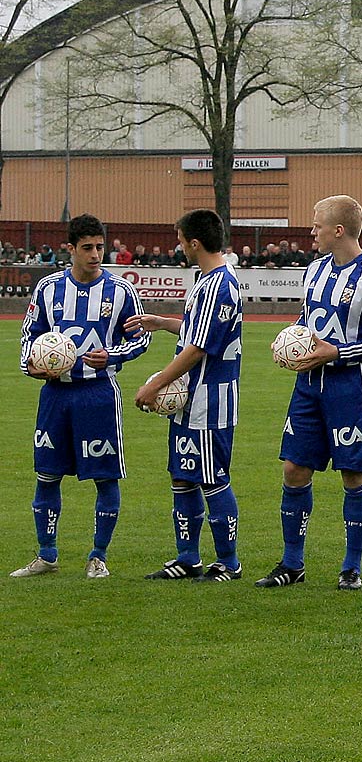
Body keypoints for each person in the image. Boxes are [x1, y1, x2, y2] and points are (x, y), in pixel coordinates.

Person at [255, 196, 362, 591]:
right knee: (294, 469)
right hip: (308, 386)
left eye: (317, 225)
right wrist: (291, 342)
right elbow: (307, 318)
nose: (311, 231)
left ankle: (351, 567)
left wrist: (339, 352)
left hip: (352, 385)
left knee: (353, 473)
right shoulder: (315, 269)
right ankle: (292, 563)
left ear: (338, 230)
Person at [12, 215, 150, 579]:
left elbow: (141, 338)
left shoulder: (121, 291)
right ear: (70, 248)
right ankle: (46, 555)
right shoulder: (47, 289)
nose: (95, 255)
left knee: (104, 478)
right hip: (55, 394)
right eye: (87, 248)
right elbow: (29, 337)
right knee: (46, 474)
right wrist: (33, 366)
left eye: (99, 247)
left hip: (98, 394)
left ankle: (98, 556)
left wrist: (113, 356)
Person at [129, 209, 244, 581]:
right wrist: (162, 323)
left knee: (212, 478)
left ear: (194, 243)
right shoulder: (207, 280)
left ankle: (228, 562)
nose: (179, 247)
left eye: (180, 240)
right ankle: (188, 558)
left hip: (210, 402)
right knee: (182, 476)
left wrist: (154, 384)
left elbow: (197, 349)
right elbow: (200, 330)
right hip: (189, 401)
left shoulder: (219, 285)